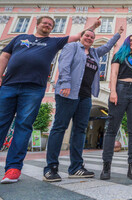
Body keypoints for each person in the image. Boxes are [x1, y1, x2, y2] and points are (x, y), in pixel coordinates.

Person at [0, 16, 100, 185]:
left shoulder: (53, 42)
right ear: (37, 24)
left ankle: (13, 169)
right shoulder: (20, 38)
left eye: (51, 25)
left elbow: (80, 36)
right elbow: (4, 57)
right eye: (45, 23)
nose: (48, 26)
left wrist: (93, 26)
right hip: (8, 86)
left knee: (23, 127)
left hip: (34, 88)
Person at [43, 23, 123, 182]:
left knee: (80, 130)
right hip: (68, 93)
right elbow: (64, 65)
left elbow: (106, 47)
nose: (90, 38)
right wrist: (65, 83)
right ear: (81, 36)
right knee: (59, 128)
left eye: (92, 37)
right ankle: (51, 168)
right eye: (87, 36)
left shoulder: (94, 53)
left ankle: (76, 167)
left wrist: (118, 34)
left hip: (85, 96)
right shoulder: (71, 47)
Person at [100, 20, 132, 180]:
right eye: (131, 40)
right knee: (112, 128)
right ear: (127, 42)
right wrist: (112, 92)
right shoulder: (119, 55)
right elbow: (113, 74)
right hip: (120, 89)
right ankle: (106, 166)